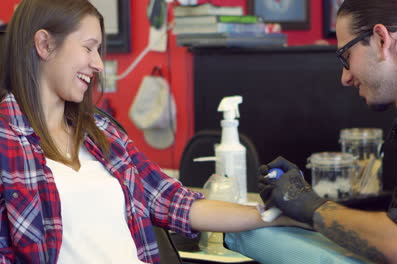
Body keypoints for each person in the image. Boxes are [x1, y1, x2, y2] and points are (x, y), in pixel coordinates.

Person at [0, 0, 308, 263]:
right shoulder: (6, 140)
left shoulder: (102, 132)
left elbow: (176, 202)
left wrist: (274, 214)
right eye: (88, 48)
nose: (97, 64)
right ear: (44, 44)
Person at [259, 0, 397, 263]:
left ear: (381, 40)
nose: (344, 77)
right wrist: (299, 211)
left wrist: (310, 205)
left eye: (346, 57)